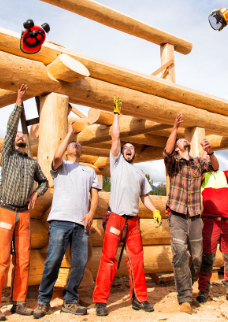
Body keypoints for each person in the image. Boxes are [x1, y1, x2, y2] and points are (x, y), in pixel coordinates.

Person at [0, 84, 49, 321]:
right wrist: (18, 102)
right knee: (1, 259)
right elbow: (11, 129)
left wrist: (36, 194)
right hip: (6, 212)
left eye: (23, 136)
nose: (20, 137)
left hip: (24, 215)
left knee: (23, 259)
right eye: (17, 136)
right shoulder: (8, 156)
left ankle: (18, 302)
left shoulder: (31, 164)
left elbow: (43, 182)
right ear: (12, 142)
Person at [93, 97, 162, 317]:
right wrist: (116, 114)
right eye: (126, 147)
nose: (129, 149)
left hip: (133, 222)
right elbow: (115, 137)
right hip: (115, 218)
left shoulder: (140, 174)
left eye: (132, 148)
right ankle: (101, 301)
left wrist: (155, 210)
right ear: (121, 152)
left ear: (135, 154)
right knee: (108, 258)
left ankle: (140, 299)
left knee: (137, 259)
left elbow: (146, 198)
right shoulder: (116, 163)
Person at [33, 120, 101, 319]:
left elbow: (95, 195)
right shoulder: (60, 167)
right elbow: (55, 155)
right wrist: (70, 133)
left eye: (77, 144)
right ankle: (43, 301)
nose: (75, 145)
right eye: (72, 144)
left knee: (79, 262)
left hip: (81, 223)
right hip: (60, 221)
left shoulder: (88, 170)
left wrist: (90, 214)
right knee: (53, 260)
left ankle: (70, 301)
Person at [164, 112, 218, 314]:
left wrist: (210, 152)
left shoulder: (197, 163)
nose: (184, 141)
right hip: (177, 214)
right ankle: (185, 298)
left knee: (197, 258)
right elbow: (167, 152)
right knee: (179, 254)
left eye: (185, 140)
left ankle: (189, 288)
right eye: (181, 141)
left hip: (195, 215)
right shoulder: (174, 163)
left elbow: (215, 167)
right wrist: (175, 128)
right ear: (178, 147)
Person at [197, 138, 228, 303]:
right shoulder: (201, 178)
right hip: (209, 221)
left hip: (227, 221)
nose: (210, 161)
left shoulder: (223, 175)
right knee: (207, 258)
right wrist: (205, 151)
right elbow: (204, 163)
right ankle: (203, 290)